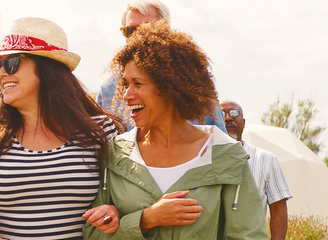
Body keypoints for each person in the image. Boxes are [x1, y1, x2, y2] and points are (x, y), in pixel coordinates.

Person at [0, 17, 125, 240]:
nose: (0, 74)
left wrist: (115, 212)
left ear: (47, 69)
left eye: (11, 62)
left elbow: (126, 203)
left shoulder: (101, 132)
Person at [82, 20, 268, 240]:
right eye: (125, 84)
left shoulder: (226, 155)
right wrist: (146, 219)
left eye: (138, 84)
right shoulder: (115, 154)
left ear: (171, 87)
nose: (126, 95)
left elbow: (249, 236)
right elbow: (93, 235)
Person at [95, 0, 226, 132]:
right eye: (130, 30)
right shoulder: (108, 91)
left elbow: (222, 147)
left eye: (148, 27)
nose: (138, 36)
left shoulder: (194, 86)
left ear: (166, 30)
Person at [220, 99, 293, 240]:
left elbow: (278, 209)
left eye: (234, 113)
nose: (228, 117)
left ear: (244, 122)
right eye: (222, 113)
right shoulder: (203, 159)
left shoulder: (266, 159)